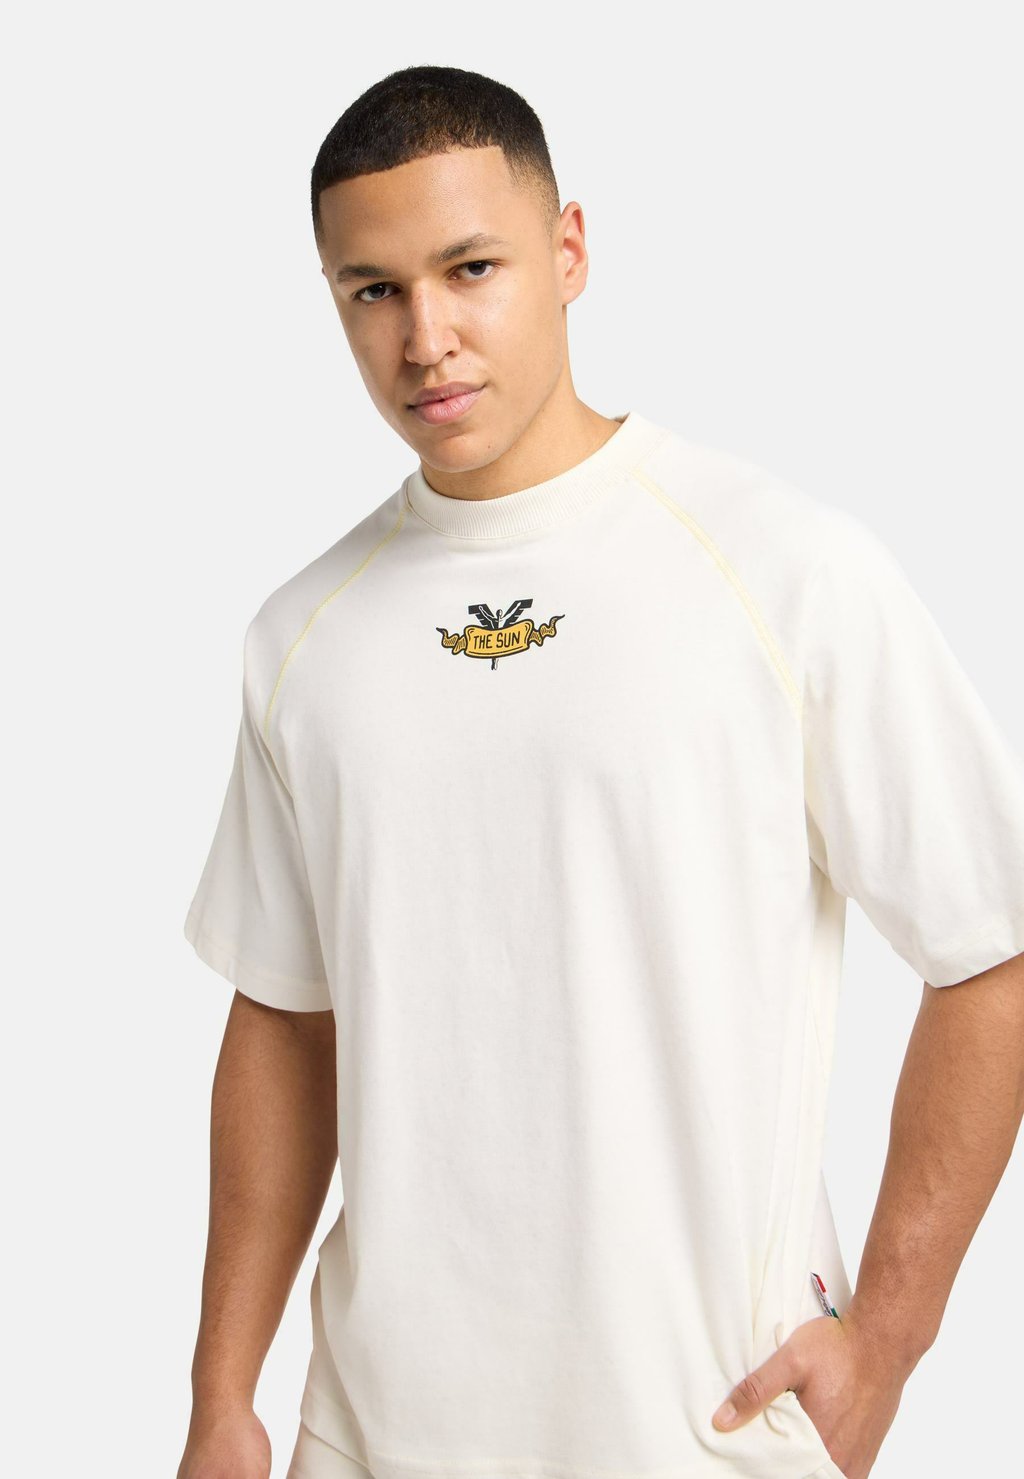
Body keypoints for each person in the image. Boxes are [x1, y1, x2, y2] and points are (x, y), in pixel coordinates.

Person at [176, 64, 1024, 1479]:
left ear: (568, 250)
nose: (426, 338)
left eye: (472, 268)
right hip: (375, 1440)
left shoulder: (782, 568)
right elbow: (283, 1024)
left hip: (710, 1434)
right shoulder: (304, 636)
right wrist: (222, 1396)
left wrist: (887, 1336)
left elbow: (991, 951)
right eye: (374, 291)